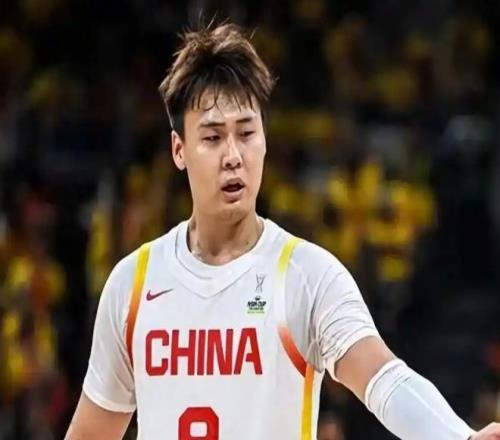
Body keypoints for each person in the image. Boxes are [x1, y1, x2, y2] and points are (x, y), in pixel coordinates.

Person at [65, 23, 500, 440]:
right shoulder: (134, 283)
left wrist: (458, 437)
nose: (233, 156)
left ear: (265, 139)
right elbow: (90, 432)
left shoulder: (306, 275)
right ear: (179, 150)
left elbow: (383, 378)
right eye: (212, 138)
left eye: (246, 133)